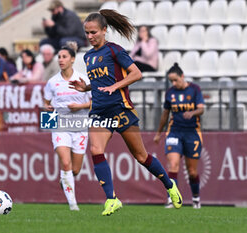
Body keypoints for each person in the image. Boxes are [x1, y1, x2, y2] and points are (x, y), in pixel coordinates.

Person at [69, 9, 182, 216]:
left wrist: (116, 86)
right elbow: (99, 82)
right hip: (100, 112)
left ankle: (169, 185)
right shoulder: (88, 56)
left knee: (141, 156)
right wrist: (84, 87)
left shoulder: (115, 50)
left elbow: (136, 73)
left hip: (121, 110)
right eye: (87, 33)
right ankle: (112, 199)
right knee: (95, 149)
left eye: (94, 32)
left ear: (104, 30)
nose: (90, 36)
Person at [44, 42, 91, 211]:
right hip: (60, 126)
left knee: (75, 169)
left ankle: (65, 179)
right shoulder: (52, 82)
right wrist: (47, 109)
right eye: (59, 57)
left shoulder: (83, 79)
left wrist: (79, 107)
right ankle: (73, 205)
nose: (61, 60)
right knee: (66, 163)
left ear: (72, 59)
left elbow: (94, 103)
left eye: (64, 57)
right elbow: (46, 102)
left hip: (80, 126)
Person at [153, 63, 205, 209]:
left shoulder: (195, 90)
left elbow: (201, 110)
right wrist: (158, 133)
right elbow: (165, 114)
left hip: (192, 133)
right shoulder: (170, 93)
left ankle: (195, 198)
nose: (174, 83)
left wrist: (192, 113)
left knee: (192, 171)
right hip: (174, 131)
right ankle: (171, 198)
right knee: (173, 165)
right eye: (171, 81)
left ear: (182, 76)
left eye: (175, 80)